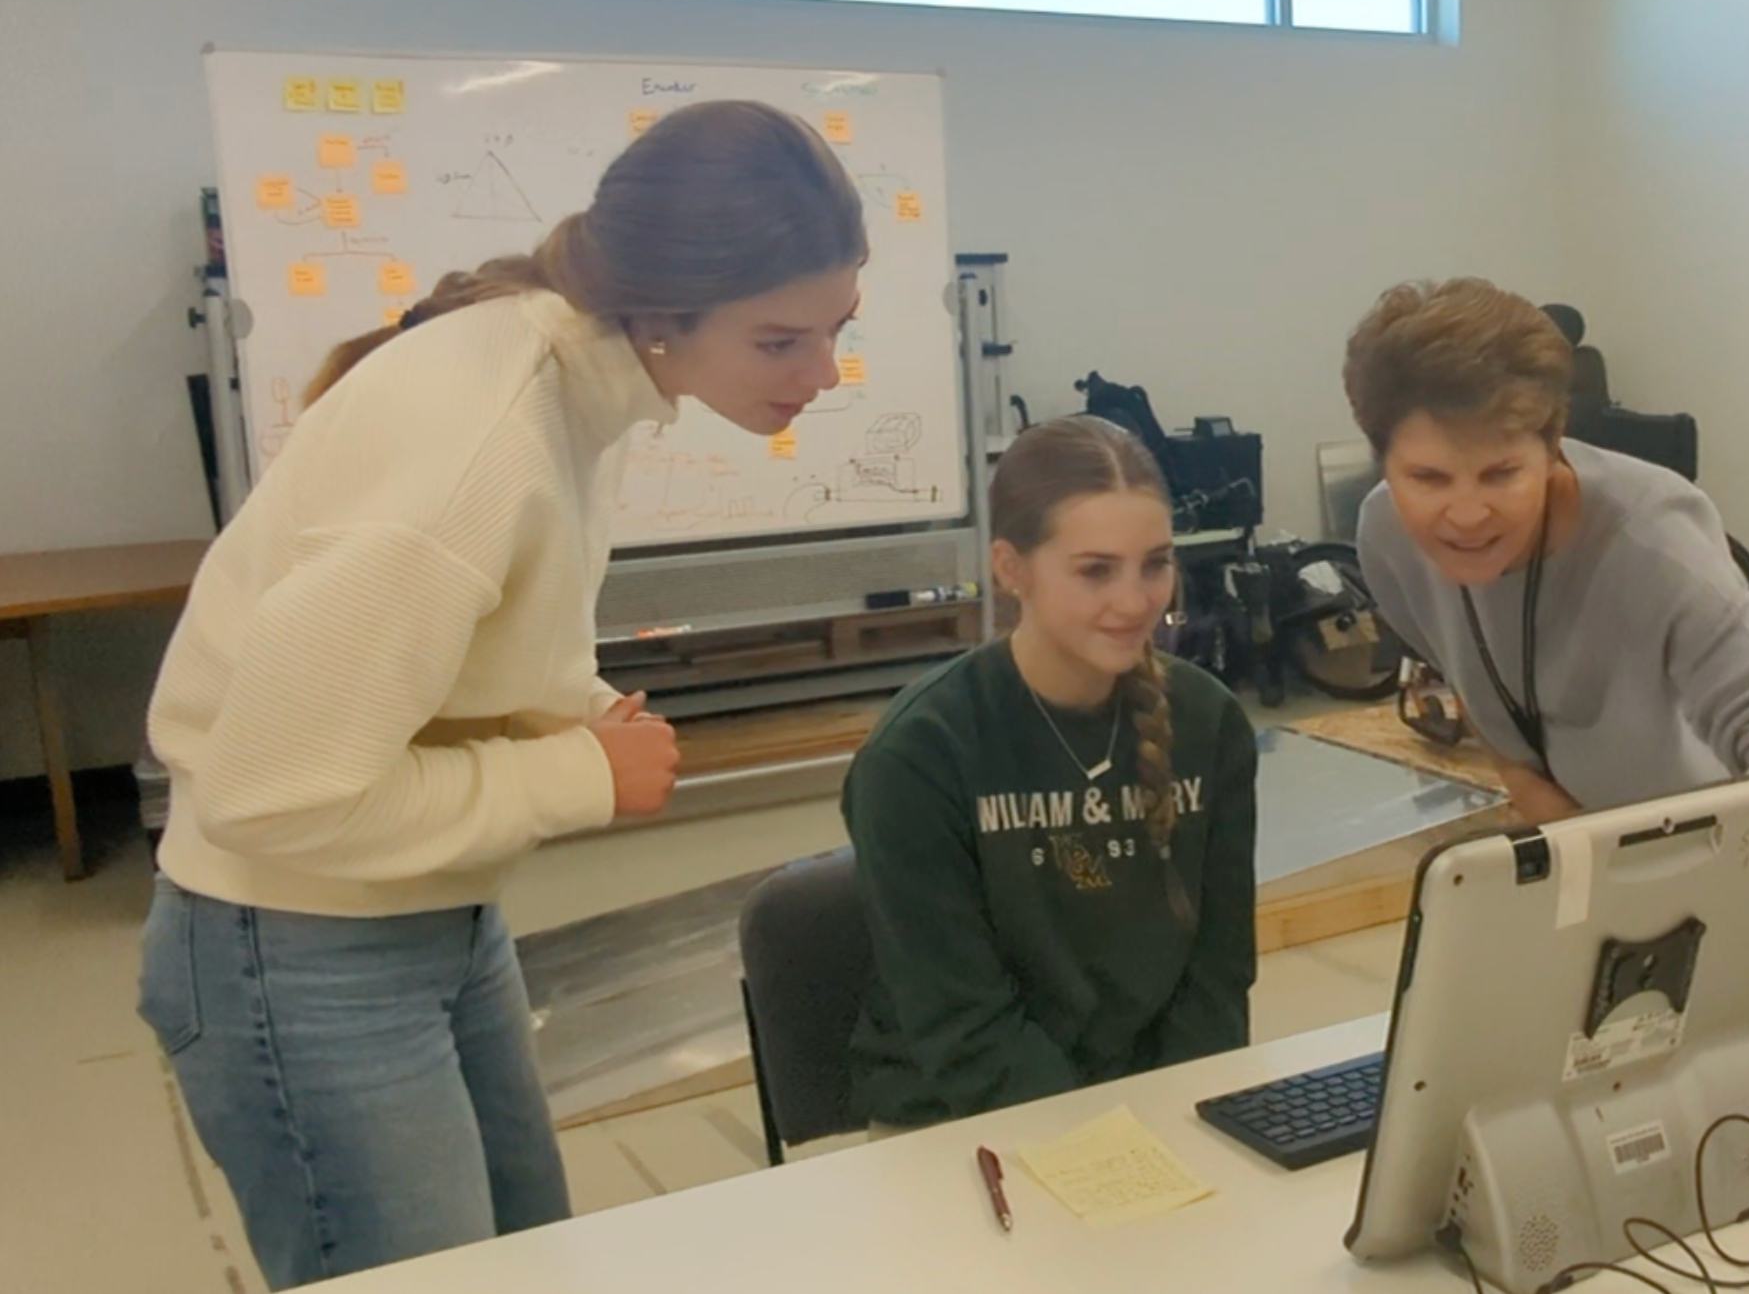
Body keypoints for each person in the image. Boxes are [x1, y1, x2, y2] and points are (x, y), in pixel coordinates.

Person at [138, 101, 868, 1288]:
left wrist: (565, 712)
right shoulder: (479, 442)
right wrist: (573, 773)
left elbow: (478, 638)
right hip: (297, 935)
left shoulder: (587, 381)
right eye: (781, 340)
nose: (823, 374)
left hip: (428, 911)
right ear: (659, 312)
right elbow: (265, 797)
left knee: (532, 1255)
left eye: (838, 329)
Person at [844, 416, 1259, 1129]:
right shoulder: (920, 753)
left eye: (1155, 564)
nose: (1135, 602)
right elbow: (963, 1024)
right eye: (1095, 570)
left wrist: (1182, 1122)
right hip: (955, 1116)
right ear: (1011, 568)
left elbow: (1217, 982)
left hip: (1151, 1103)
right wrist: (1099, 1150)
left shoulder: (1207, 722)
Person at [1345, 277, 1749, 824]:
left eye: (1501, 474)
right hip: (1582, 840)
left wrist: (1729, 863)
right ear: (1383, 463)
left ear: (1551, 449)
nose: (1468, 514)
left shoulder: (1656, 546)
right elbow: (1478, 686)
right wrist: (1548, 809)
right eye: (1428, 478)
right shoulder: (1386, 537)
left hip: (1719, 845)